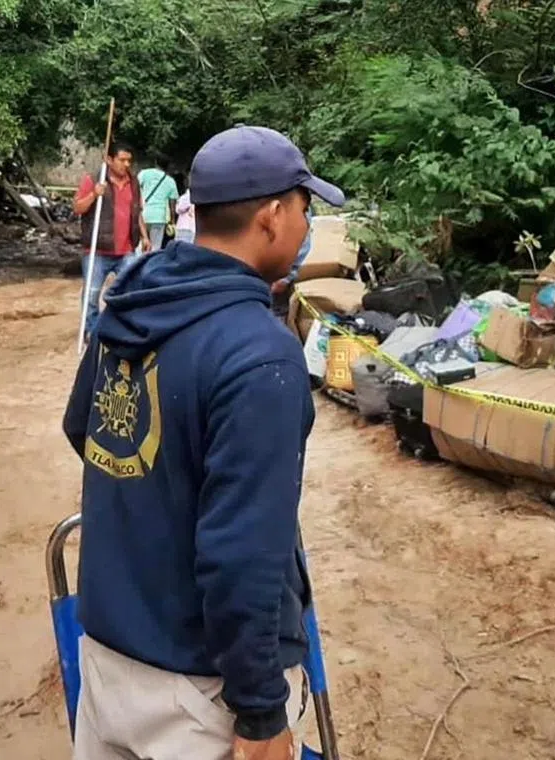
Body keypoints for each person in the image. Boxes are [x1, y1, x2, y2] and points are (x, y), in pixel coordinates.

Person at [62, 125, 345, 760]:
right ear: (273, 216)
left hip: (108, 665)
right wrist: (261, 711)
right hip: (198, 697)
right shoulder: (258, 354)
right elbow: (241, 554)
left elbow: (87, 431)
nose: (307, 227)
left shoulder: (133, 301)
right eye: (306, 209)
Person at [73, 142, 150, 338]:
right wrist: (94, 194)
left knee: (133, 292)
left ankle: (125, 329)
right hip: (97, 251)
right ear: (109, 159)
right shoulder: (93, 179)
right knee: (91, 295)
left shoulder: (133, 182)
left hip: (126, 250)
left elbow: (137, 212)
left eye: (128, 161)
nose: (126, 164)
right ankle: (92, 330)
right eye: (122, 160)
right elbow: (78, 208)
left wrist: (144, 235)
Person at [137, 159, 180, 251]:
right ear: (168, 167)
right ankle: (152, 263)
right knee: (155, 247)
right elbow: (172, 203)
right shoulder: (170, 181)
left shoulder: (144, 173)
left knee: (141, 244)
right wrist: (172, 220)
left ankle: (139, 262)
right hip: (159, 217)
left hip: (143, 214)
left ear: (155, 163)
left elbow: (135, 187)